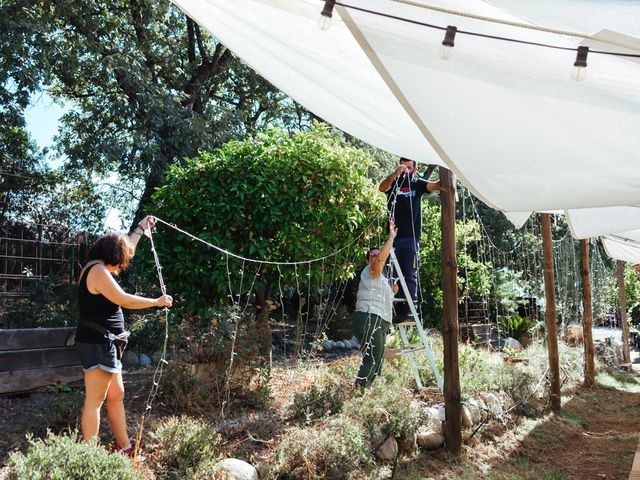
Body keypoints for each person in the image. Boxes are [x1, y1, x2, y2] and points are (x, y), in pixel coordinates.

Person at [74, 215, 173, 455]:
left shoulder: (97, 266)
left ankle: (125, 446)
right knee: (95, 401)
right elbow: (123, 300)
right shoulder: (97, 272)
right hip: (99, 342)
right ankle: (89, 457)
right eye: (120, 262)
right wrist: (156, 302)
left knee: (117, 395)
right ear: (111, 256)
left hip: (107, 342)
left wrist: (140, 229)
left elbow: (126, 245)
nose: (121, 266)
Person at [378, 158, 440, 320]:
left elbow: (435, 185)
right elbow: (381, 188)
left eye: (409, 167)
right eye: (403, 167)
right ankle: (397, 309)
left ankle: (410, 308)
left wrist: (451, 170)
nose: (406, 170)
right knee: (393, 273)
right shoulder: (394, 182)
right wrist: (395, 174)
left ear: (415, 168)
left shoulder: (418, 184)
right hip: (394, 237)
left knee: (410, 274)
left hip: (412, 238)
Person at [351, 221, 399, 386]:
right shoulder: (370, 270)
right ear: (367, 260)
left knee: (377, 359)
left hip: (378, 321)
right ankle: (358, 392)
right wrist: (391, 238)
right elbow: (380, 262)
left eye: (378, 255)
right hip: (369, 318)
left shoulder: (381, 278)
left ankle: (371, 391)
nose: (377, 257)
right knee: (371, 358)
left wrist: (392, 291)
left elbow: (380, 298)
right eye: (373, 255)